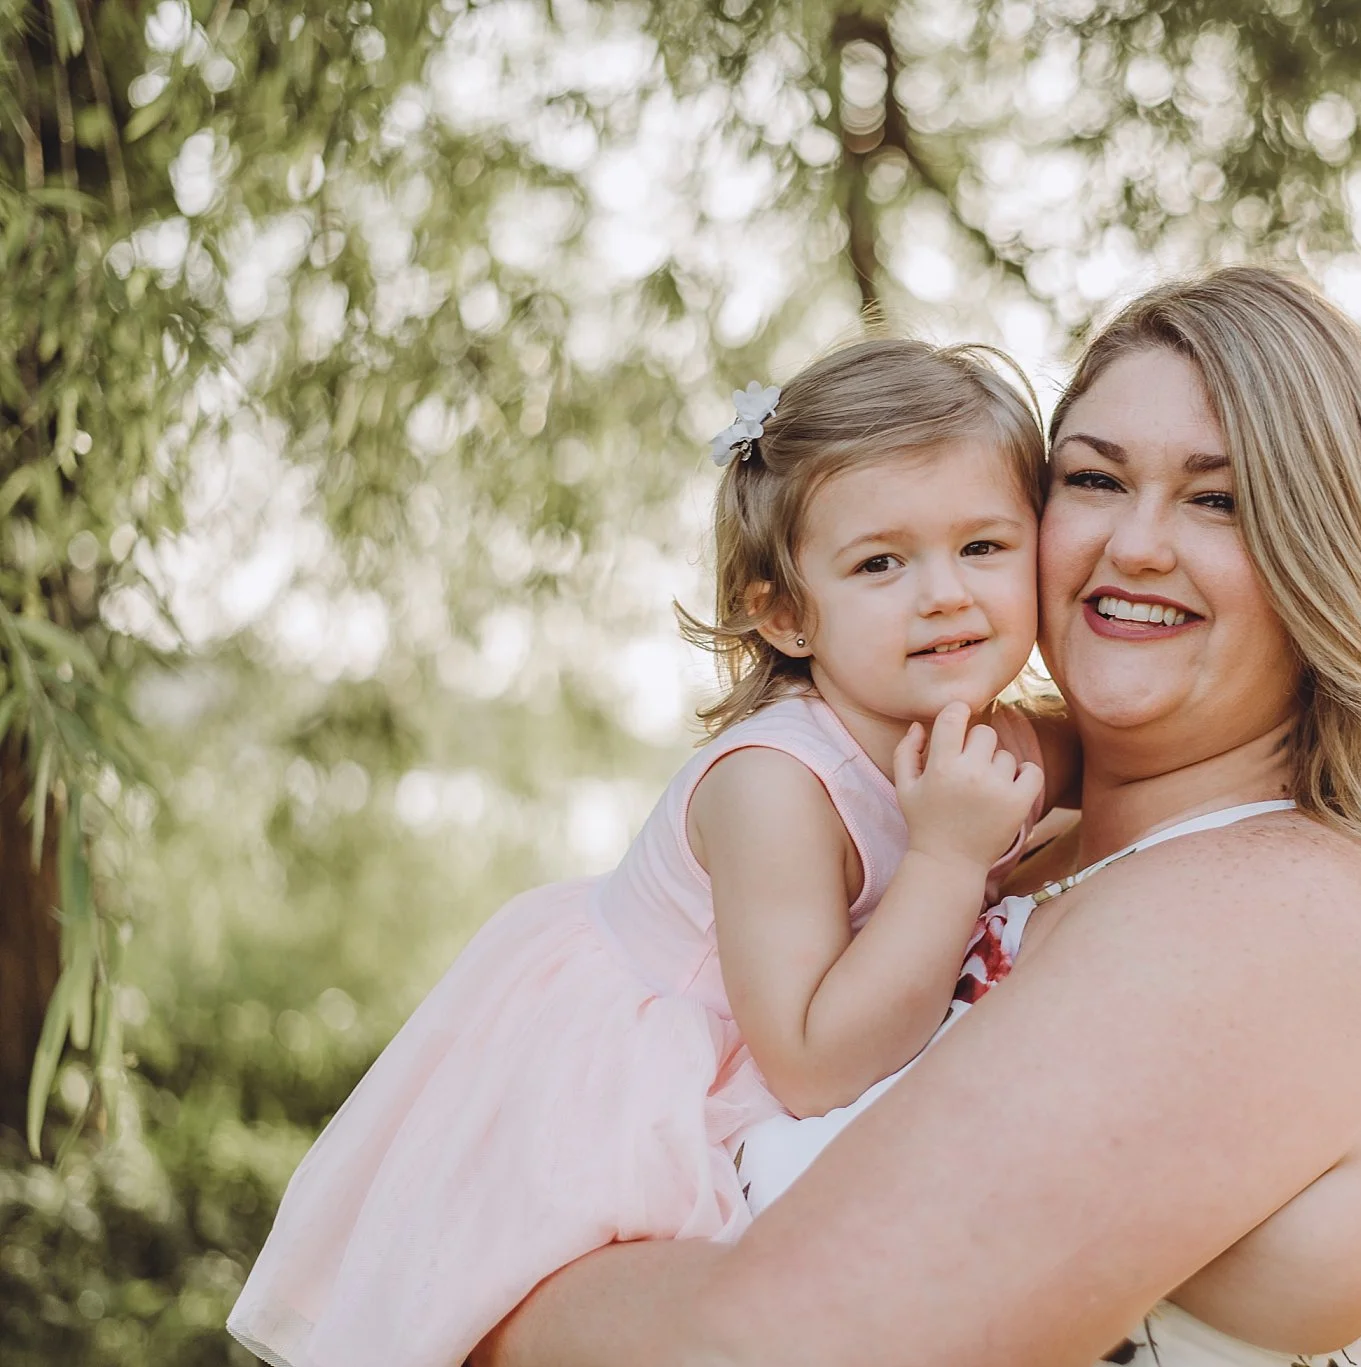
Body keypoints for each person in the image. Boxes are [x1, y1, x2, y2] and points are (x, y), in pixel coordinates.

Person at [478, 264, 1361, 1367]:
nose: (1135, 544)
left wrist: (479, 1293)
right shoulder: (1006, 846)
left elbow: (779, 1346)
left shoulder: (1276, 909)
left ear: (1326, 554)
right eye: (1093, 480)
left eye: (1218, 498)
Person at [228, 338, 1077, 1367]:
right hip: (638, 1080)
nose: (944, 592)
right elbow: (809, 1064)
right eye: (879, 563)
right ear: (786, 614)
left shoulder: (984, 727)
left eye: (983, 546)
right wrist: (947, 859)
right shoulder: (774, 786)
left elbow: (1109, 763)